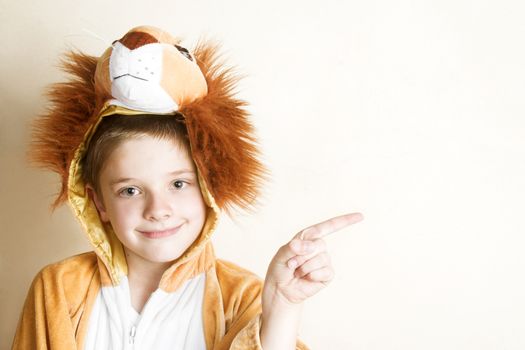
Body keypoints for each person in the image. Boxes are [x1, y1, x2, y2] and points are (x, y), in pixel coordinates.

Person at [12, 25, 363, 349]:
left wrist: (283, 308)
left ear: (209, 187)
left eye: (178, 183)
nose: (158, 209)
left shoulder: (240, 295)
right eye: (130, 190)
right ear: (98, 202)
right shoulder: (58, 288)